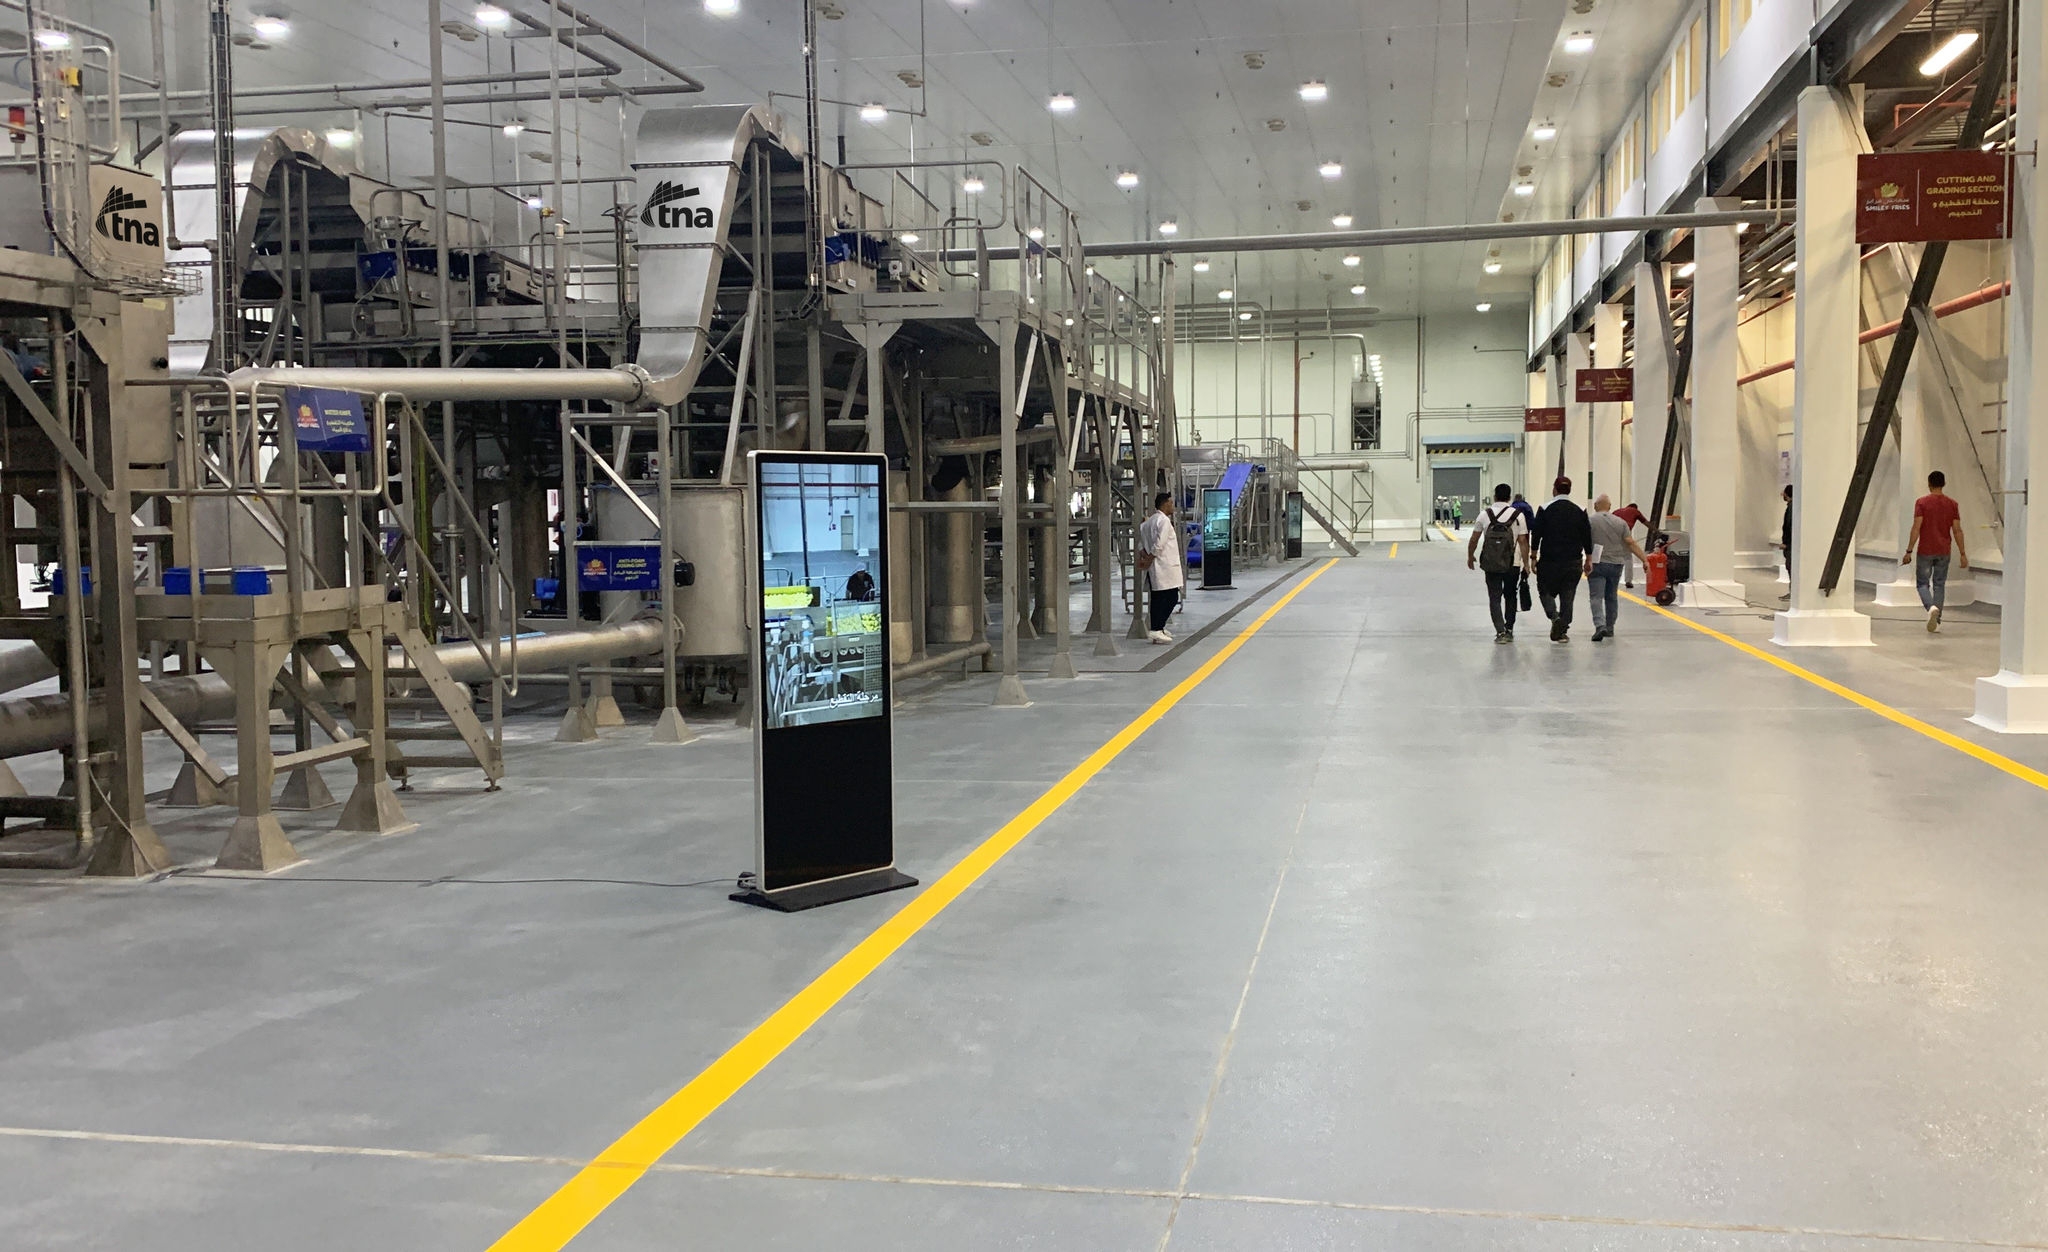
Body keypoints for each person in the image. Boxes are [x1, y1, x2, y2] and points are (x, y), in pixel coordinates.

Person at [1902, 470, 1968, 632]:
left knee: (1922, 584)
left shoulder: (1922, 503)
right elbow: (1957, 530)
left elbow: (1916, 527)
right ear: (1944, 484)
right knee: (1939, 584)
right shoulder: (1952, 504)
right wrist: (1962, 553)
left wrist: (1909, 550)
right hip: (1944, 550)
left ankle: (1931, 608)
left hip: (1926, 550)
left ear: (1929, 484)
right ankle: (1937, 617)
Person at [1529, 475, 1593, 642]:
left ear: (1554, 489)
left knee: (1544, 590)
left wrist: (1533, 556)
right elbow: (1587, 536)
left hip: (1550, 560)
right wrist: (1589, 559)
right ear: (1570, 490)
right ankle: (1563, 630)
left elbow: (1537, 534)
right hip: (1573, 561)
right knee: (1568, 594)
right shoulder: (1580, 510)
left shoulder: (1544, 509)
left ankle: (1554, 617)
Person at [1467, 483, 1531, 644]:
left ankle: (1500, 631)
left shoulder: (1485, 514)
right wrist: (1527, 563)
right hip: (1512, 563)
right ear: (1509, 497)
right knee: (1510, 596)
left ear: (1495, 496)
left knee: (1494, 597)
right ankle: (1509, 629)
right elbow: (1523, 541)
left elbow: (1474, 539)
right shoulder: (1518, 515)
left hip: (1491, 563)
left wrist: (1470, 556)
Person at [1587, 495, 1652, 642]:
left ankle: (1599, 625)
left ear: (1596, 505)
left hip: (1597, 563)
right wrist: (1644, 559)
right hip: (1617, 564)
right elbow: (1630, 542)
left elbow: (1583, 541)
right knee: (1611, 597)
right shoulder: (1620, 522)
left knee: (1596, 597)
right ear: (1609, 506)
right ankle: (1610, 628)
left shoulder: (1590, 521)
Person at [1137, 491, 1183, 644]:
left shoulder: (1148, 522)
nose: (1173, 506)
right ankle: (1156, 629)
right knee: (1170, 598)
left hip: (1157, 568)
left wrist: (1144, 557)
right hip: (1165, 566)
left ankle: (1159, 627)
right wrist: (1149, 560)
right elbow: (1159, 544)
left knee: (1158, 598)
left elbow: (1141, 545)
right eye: (1171, 503)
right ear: (1164, 504)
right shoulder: (1163, 521)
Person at [1611, 501, 1649, 588]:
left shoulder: (1617, 511)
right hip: (1625, 534)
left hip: (1613, 535)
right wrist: (1656, 531)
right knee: (1628, 557)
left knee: (1614, 557)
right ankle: (1628, 580)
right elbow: (1646, 523)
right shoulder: (1635, 511)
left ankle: (1612, 579)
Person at [1779, 484, 1793, 600]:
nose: (1781, 494)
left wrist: (1786, 543)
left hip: (1790, 546)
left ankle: (1793, 593)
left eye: (1783, 492)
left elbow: (1789, 527)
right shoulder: (1792, 507)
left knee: (1791, 568)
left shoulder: (1791, 508)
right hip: (1790, 545)